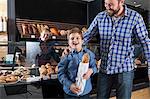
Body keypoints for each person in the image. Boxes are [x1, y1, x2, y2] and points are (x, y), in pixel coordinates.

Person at [83, 0, 150, 99]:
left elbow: (145, 42)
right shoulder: (100, 17)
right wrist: (71, 48)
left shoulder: (135, 18)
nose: (107, 7)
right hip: (104, 69)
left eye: (111, 4)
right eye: (105, 4)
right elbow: (86, 36)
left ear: (121, 2)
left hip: (124, 70)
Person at [58, 27, 97, 98]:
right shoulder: (66, 56)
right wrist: (70, 85)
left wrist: (91, 71)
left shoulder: (89, 54)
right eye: (72, 38)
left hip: (85, 92)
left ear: (82, 40)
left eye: (77, 38)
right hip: (70, 93)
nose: (74, 40)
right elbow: (61, 74)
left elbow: (95, 67)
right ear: (68, 42)